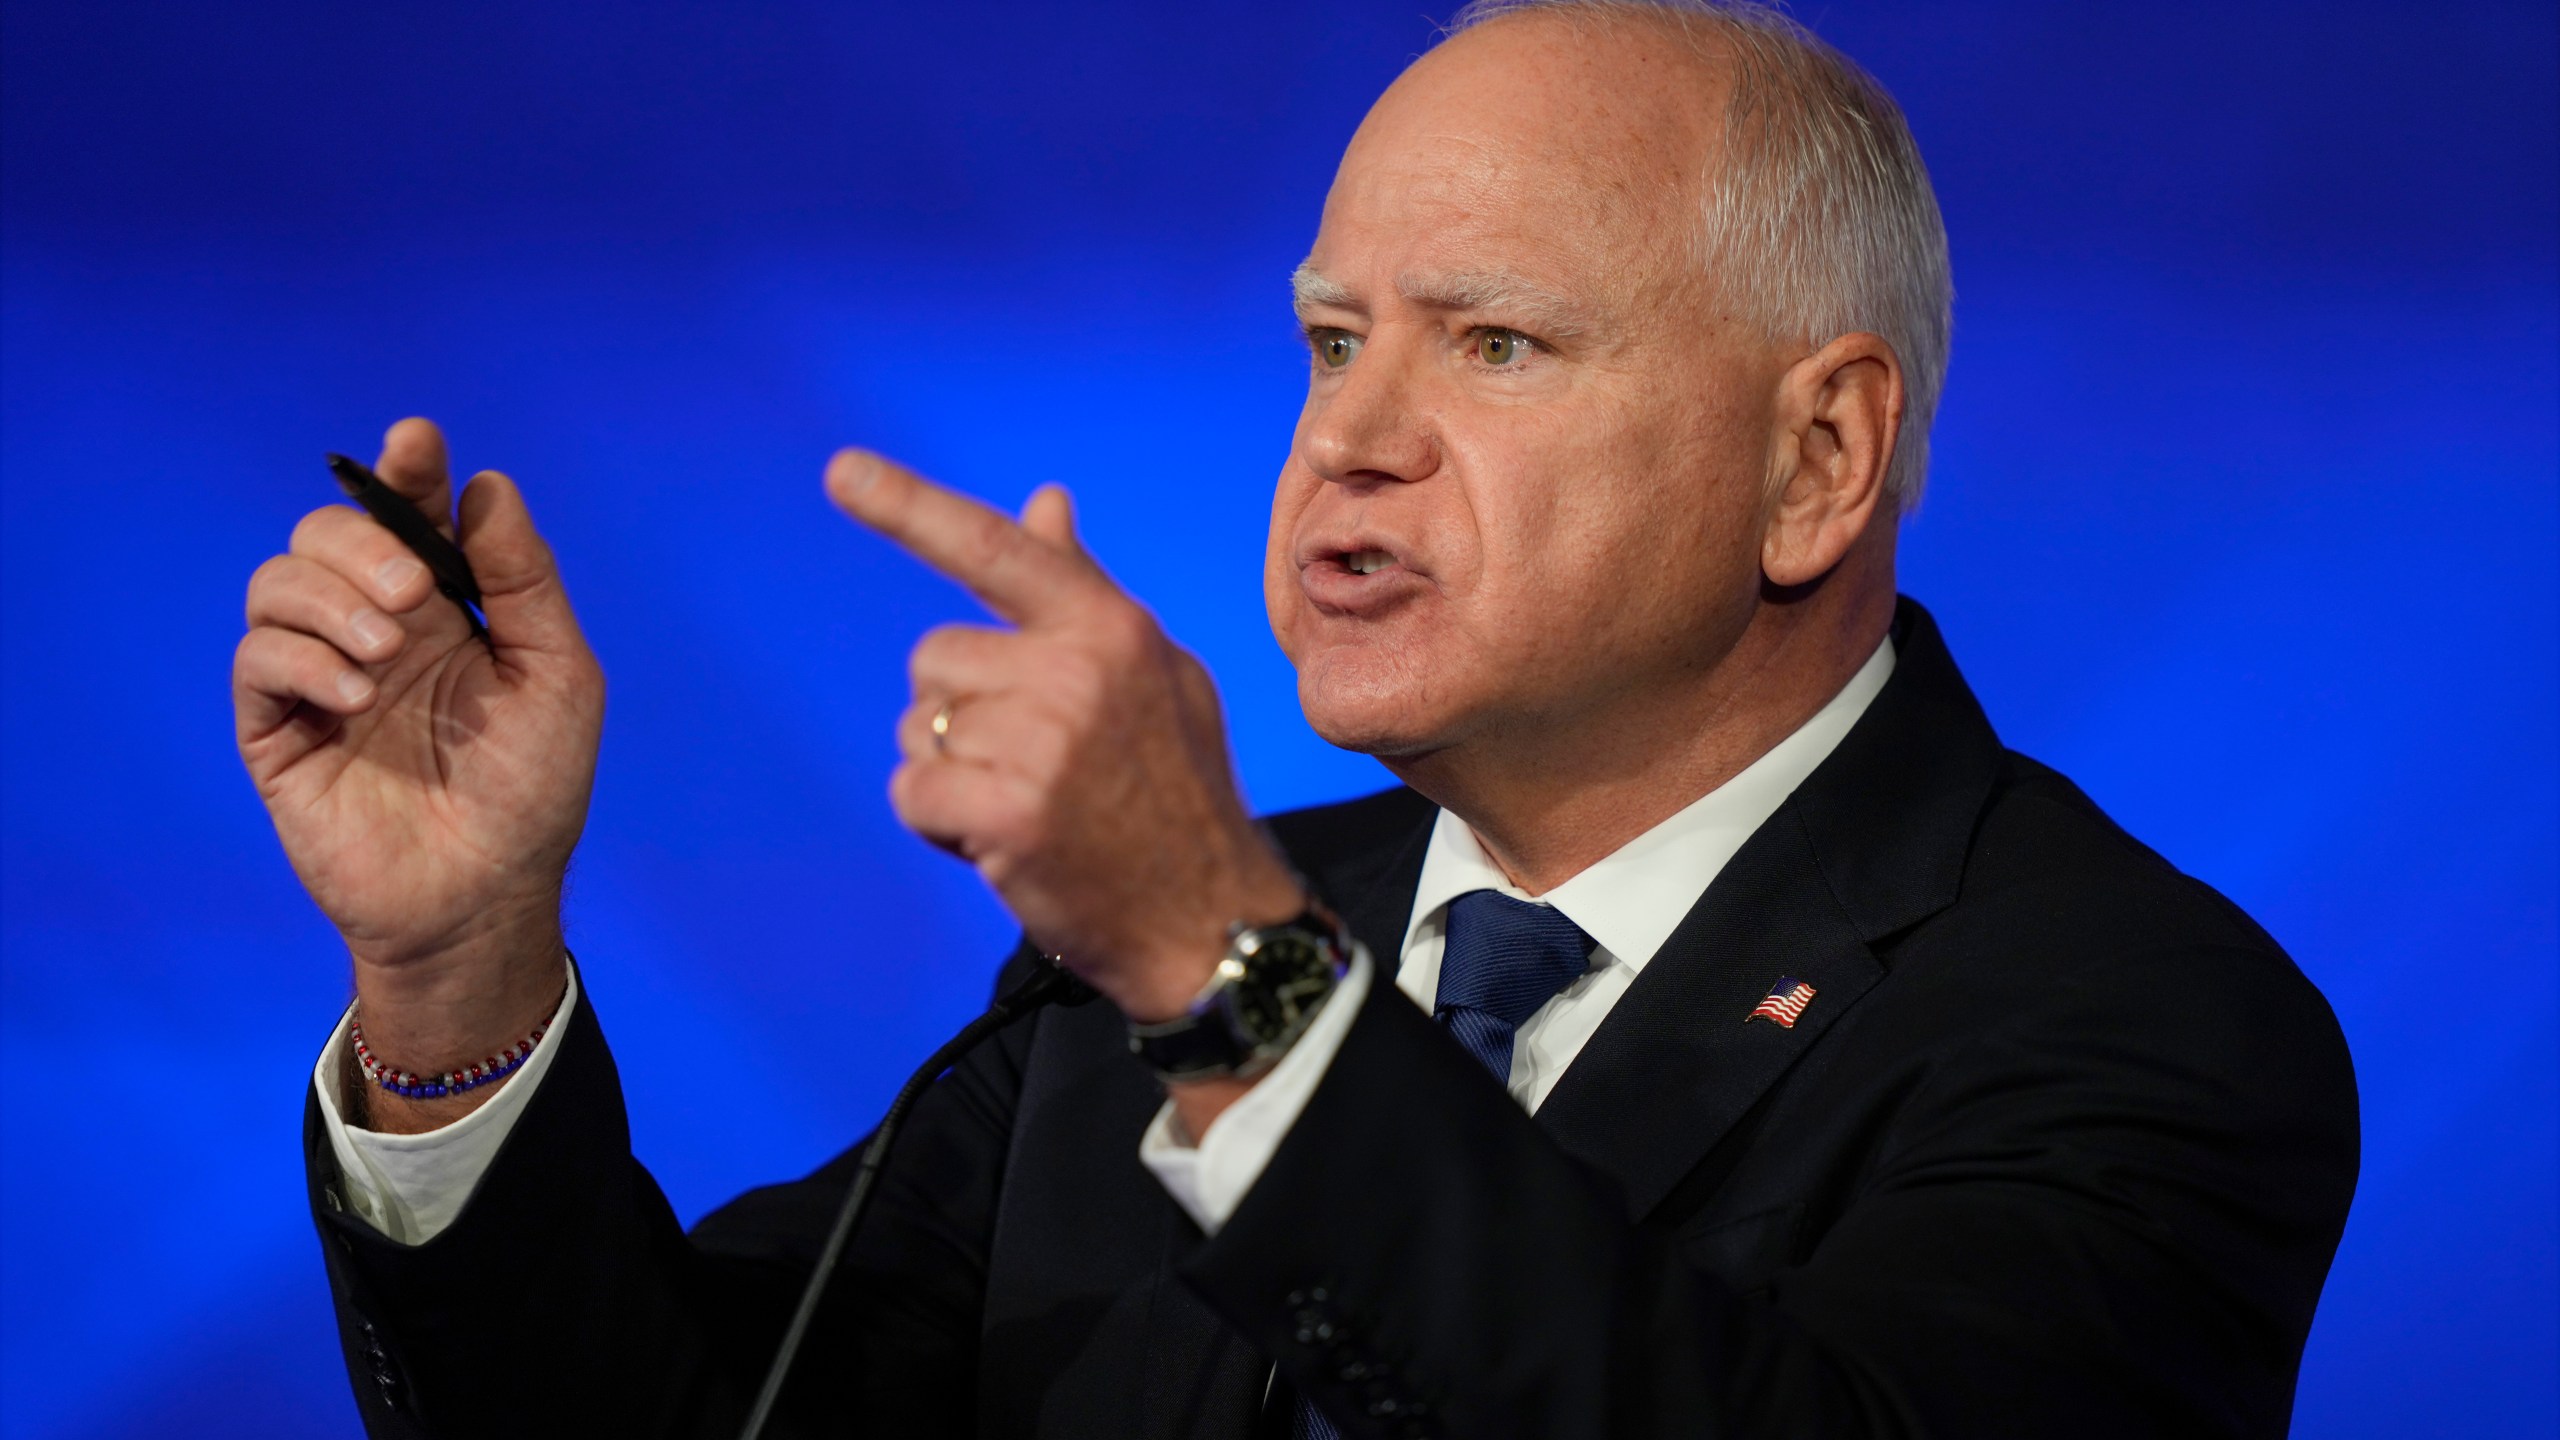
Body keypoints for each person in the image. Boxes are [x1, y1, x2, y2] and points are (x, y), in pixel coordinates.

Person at [234, 1, 2358, 1435]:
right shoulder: (1108, 987)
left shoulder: (2134, 1024)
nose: (1346, 438)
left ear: (1814, 461)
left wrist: (1225, 977)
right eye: (1329, 340)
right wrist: (454, 972)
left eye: (1495, 345)